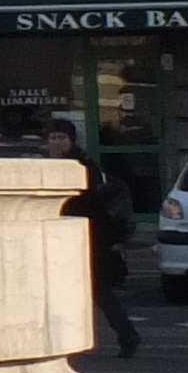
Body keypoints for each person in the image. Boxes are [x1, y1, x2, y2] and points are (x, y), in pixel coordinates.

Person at [44, 114, 140, 359]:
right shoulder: (55, 164)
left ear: (71, 140)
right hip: (70, 234)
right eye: (53, 138)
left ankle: (127, 335)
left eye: (61, 138)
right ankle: (123, 335)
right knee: (91, 290)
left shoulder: (81, 165)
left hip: (88, 236)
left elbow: (88, 203)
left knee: (98, 290)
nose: (56, 143)